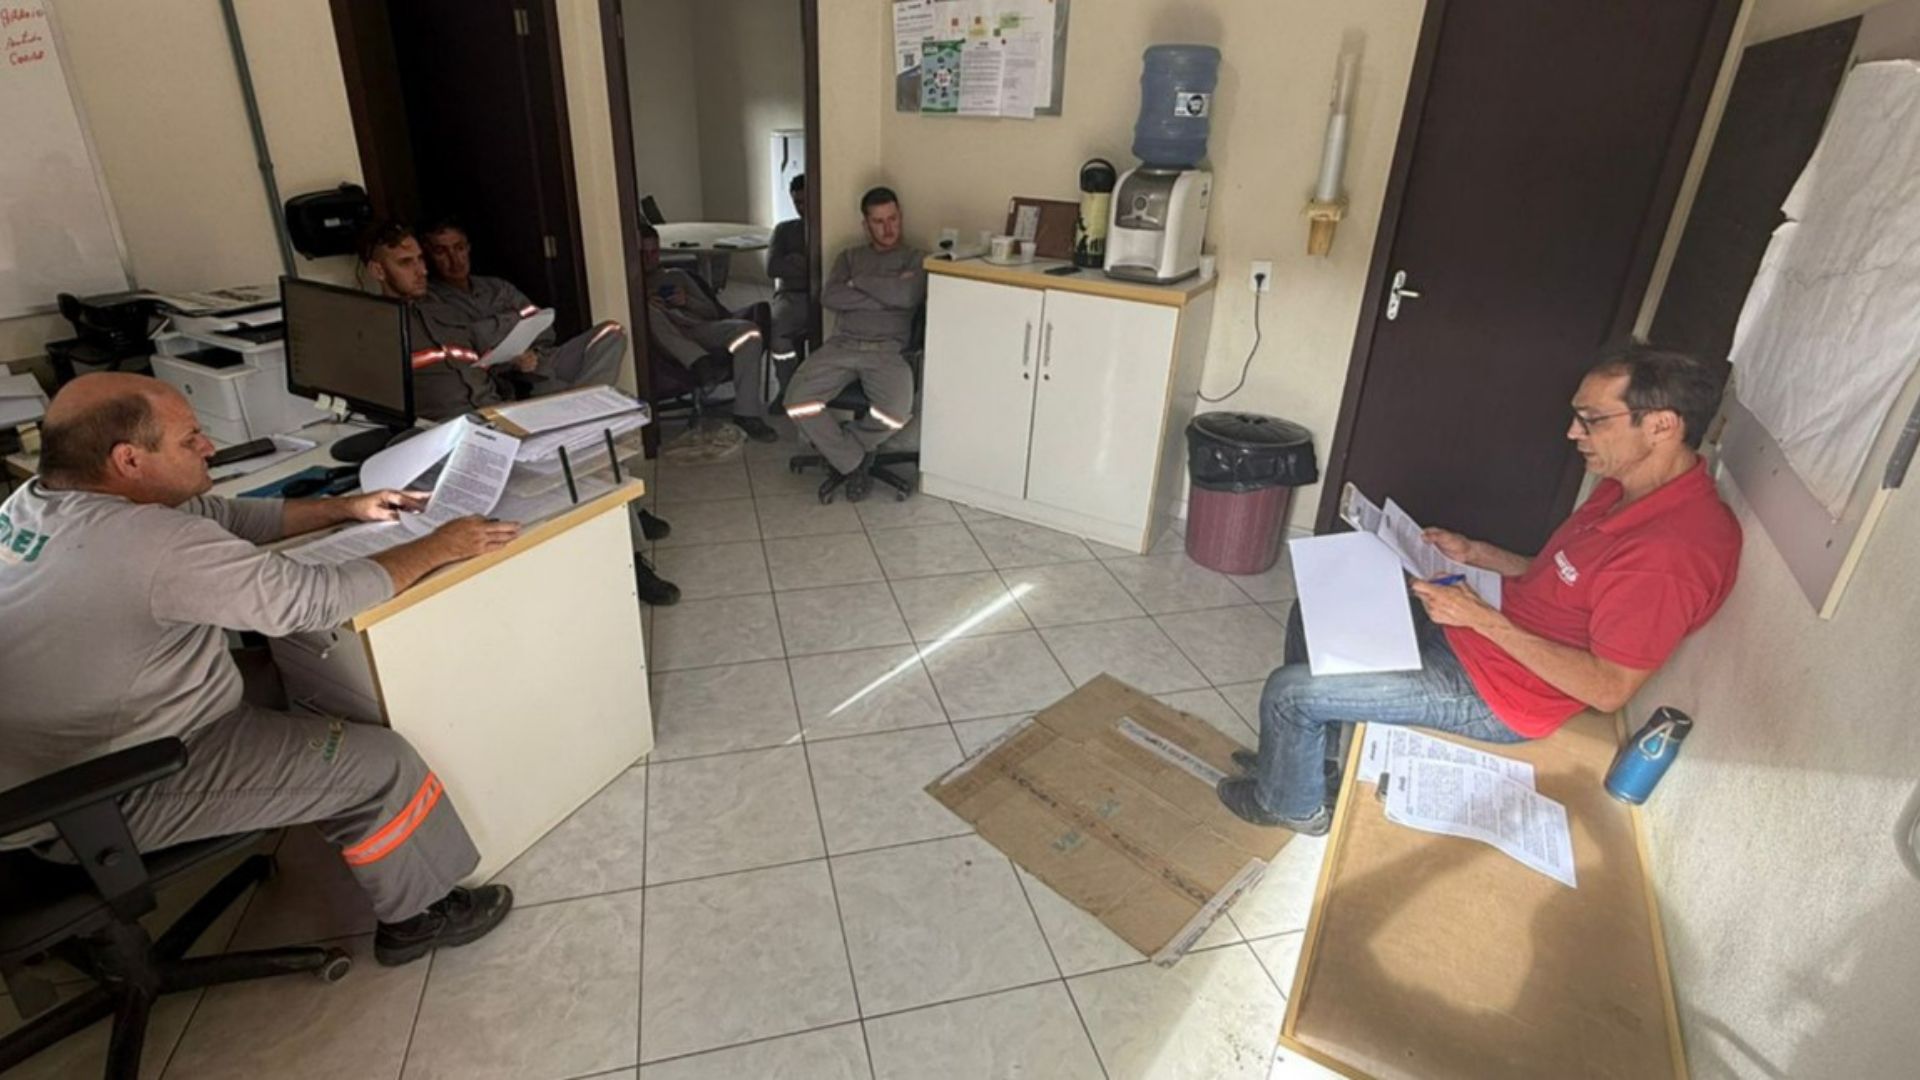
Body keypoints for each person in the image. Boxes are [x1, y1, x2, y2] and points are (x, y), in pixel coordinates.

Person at [0, 374, 520, 966]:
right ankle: (419, 916)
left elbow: (219, 515)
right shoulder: (149, 543)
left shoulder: (34, 501)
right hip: (94, 792)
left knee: (291, 674)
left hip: (51, 751)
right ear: (129, 460)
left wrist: (345, 508)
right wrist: (440, 545)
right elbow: (313, 601)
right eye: (190, 439)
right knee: (384, 765)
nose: (209, 448)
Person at [1217, 348, 1742, 834]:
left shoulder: (1671, 554)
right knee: (1316, 610)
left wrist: (1481, 619)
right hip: (1478, 630)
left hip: (1501, 693)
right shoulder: (1625, 488)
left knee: (1290, 694)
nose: (1573, 432)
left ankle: (1292, 808)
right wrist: (1478, 553)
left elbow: (1608, 689)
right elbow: (1564, 579)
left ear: (1661, 425)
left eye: (1591, 419)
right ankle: (1309, 771)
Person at [361, 220, 681, 605]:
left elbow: (497, 345)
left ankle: (631, 554)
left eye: (419, 260)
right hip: (446, 431)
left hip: (496, 413)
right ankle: (630, 552)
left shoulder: (442, 308)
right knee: (577, 460)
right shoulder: (373, 327)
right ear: (378, 270)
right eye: (406, 262)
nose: (421, 270)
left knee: (588, 442)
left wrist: (514, 361)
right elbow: (372, 402)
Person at [783, 186, 926, 502]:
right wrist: (886, 295)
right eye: (878, 221)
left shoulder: (915, 258)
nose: (888, 228)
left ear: (900, 217)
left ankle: (846, 451)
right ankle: (854, 461)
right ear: (865, 225)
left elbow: (906, 296)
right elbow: (831, 297)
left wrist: (858, 283)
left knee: (896, 413)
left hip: (888, 351)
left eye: (893, 219)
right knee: (796, 400)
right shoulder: (849, 257)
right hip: (843, 346)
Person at [416, 216, 627, 404]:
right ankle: (585, 404)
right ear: (428, 257)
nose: (454, 259)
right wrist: (511, 338)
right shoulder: (433, 301)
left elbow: (543, 327)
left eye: (459, 248)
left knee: (612, 332)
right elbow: (470, 345)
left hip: (540, 357)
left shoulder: (497, 287)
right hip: (506, 377)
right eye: (441, 251)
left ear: (468, 248)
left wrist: (518, 343)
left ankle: (583, 403)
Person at [639, 224, 779, 443]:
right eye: (643, 253)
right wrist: (645, 300)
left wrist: (686, 301)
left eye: (654, 252)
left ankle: (747, 414)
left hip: (698, 330)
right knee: (647, 311)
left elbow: (712, 312)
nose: (650, 259)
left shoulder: (677, 276)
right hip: (666, 341)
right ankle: (700, 362)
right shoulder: (628, 286)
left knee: (749, 333)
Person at [767, 173, 810, 373]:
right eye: (797, 202)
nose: (802, 208)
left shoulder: (829, 228)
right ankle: (789, 386)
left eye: (806, 202)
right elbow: (773, 268)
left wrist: (797, 261)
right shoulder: (784, 230)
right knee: (777, 331)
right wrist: (807, 266)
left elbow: (827, 265)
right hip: (790, 297)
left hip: (823, 294)